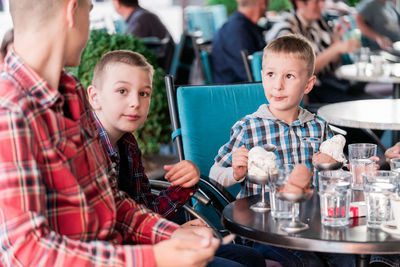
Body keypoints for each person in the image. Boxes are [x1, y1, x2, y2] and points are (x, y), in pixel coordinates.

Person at [0, 0, 220, 266]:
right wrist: (153, 258)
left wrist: (172, 236)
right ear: (72, 11)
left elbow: (109, 203)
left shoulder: (72, 92)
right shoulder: (10, 112)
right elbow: (29, 252)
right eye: (89, 12)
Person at [87, 49, 267, 267]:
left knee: (252, 258)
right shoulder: (88, 150)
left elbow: (147, 209)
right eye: (122, 91)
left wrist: (186, 184)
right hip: (122, 257)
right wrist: (172, 233)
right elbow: (108, 230)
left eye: (144, 93)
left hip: (148, 240)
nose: (135, 102)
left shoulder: (128, 144)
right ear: (95, 97)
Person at [209, 34, 356, 267]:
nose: (277, 85)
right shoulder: (248, 128)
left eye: (289, 76)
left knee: (351, 259)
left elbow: (340, 176)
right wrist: (235, 173)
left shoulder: (318, 126)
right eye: (270, 75)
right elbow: (216, 173)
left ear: (308, 84)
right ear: (262, 78)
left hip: (315, 225)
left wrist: (338, 166)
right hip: (265, 229)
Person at [266, 0, 364, 104]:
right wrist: (336, 48)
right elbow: (295, 70)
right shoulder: (286, 28)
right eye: (317, 2)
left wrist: (337, 38)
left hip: (328, 84)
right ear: (300, 3)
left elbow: (333, 63)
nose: (322, 5)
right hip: (308, 92)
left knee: (361, 97)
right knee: (357, 104)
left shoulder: (318, 22)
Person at [211, 0, 268, 83]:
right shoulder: (237, 32)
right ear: (262, 2)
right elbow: (253, 77)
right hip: (240, 93)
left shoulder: (236, 27)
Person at [112, 0, 175, 73]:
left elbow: (126, 50)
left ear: (117, 3)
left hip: (161, 71)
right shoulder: (142, 15)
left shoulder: (141, 19)